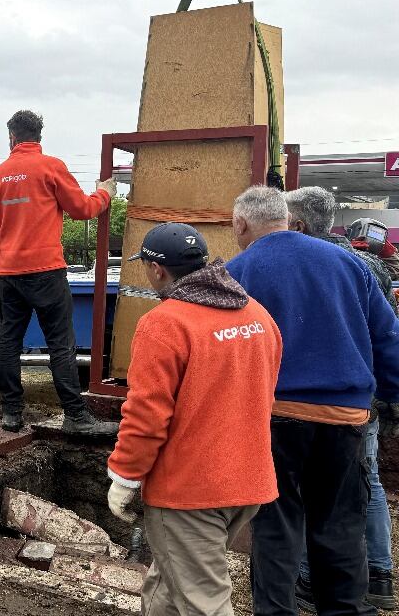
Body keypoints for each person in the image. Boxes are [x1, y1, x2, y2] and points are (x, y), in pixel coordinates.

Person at [226, 186, 399, 616]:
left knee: (276, 528)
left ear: (242, 224)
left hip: (275, 417)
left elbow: (221, 351)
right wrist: (394, 398)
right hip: (345, 418)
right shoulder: (351, 265)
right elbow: (387, 338)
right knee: (339, 527)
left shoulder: (237, 270)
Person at [105, 223, 282, 614]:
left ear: (156, 270)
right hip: (247, 481)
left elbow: (146, 413)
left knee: (204, 601)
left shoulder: (166, 323)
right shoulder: (255, 313)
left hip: (190, 490)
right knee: (170, 582)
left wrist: (125, 475)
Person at [285, 187, 396, 610]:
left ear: (296, 224)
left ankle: (312, 581)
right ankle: (380, 577)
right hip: (361, 397)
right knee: (367, 484)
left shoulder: (310, 267)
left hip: (323, 398)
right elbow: (387, 335)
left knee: (312, 490)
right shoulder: (368, 265)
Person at [0, 109, 118, 434]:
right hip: (46, 272)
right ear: (38, 136)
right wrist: (106, 193)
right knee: (60, 345)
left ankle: (11, 415)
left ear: (11, 137)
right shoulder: (50, 167)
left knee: (10, 344)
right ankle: (76, 416)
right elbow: (83, 209)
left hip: (10, 276)